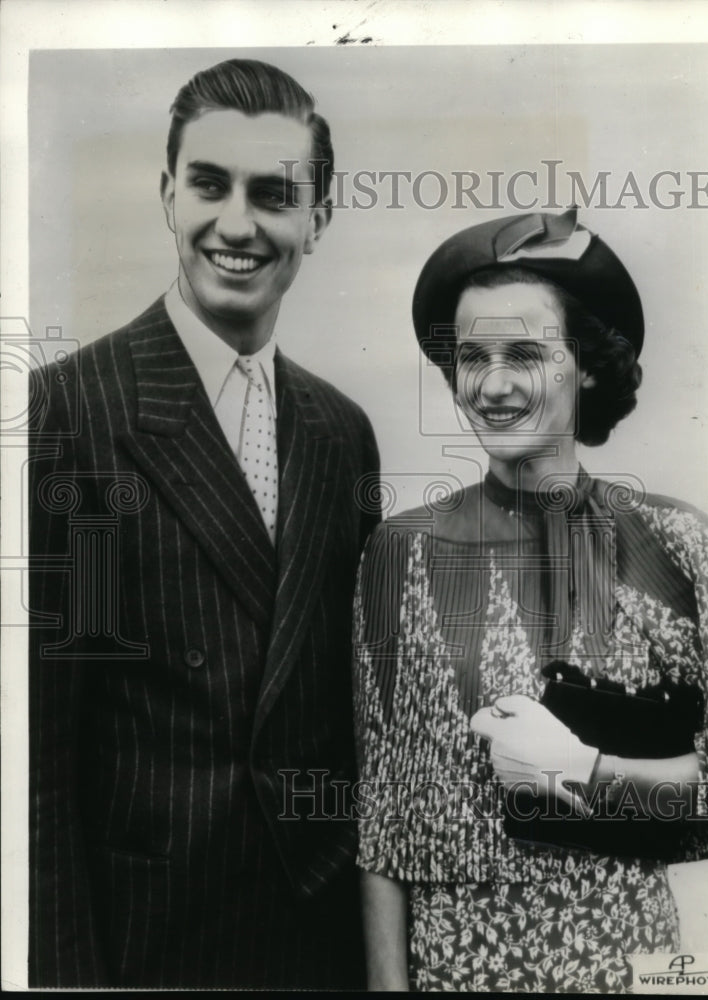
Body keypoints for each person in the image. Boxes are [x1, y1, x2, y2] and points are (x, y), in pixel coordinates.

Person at [28, 58, 379, 989]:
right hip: (149, 941)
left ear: (319, 218)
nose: (237, 224)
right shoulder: (74, 417)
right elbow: (42, 759)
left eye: (274, 194)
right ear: (165, 193)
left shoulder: (343, 434)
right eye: (209, 186)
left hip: (317, 938)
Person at [353, 209, 708, 992]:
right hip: (454, 969)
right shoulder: (401, 550)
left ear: (586, 365)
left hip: (627, 967)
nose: (492, 386)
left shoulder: (676, 546)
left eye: (525, 354)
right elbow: (382, 828)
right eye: (472, 357)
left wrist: (585, 769)